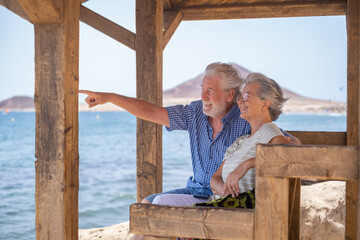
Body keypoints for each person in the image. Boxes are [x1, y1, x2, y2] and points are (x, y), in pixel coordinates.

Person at [79, 62, 298, 207]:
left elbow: (289, 145)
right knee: (145, 206)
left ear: (230, 94)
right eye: (202, 89)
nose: (203, 96)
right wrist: (109, 97)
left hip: (220, 200)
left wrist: (248, 164)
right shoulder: (194, 113)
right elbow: (154, 112)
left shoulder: (244, 120)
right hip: (197, 191)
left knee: (157, 208)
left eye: (210, 91)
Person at [194, 72, 289, 209]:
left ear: (265, 104)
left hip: (239, 216)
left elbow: (288, 158)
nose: (239, 101)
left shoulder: (268, 131)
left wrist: (246, 165)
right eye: (240, 96)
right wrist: (226, 194)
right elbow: (215, 178)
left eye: (246, 96)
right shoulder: (242, 140)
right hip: (222, 207)